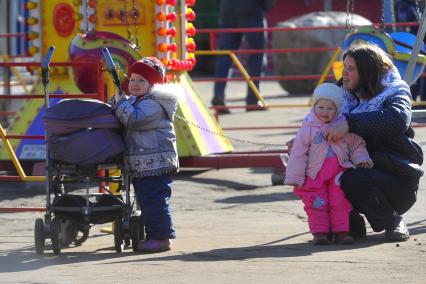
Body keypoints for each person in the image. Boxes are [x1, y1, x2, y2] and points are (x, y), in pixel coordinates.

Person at [325, 42, 424, 242]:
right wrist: (303, 138)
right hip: (357, 171)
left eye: (351, 69)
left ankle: (392, 220)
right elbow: (317, 115)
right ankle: (351, 224)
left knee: (353, 178)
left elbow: (398, 119)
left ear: (367, 71)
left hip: (395, 181)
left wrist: (350, 124)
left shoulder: (395, 90)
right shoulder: (342, 90)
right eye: (344, 68)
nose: (344, 74)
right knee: (316, 173)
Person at [284, 83, 373, 245]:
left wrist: (361, 159)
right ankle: (320, 234)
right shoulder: (308, 127)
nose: (325, 112)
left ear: (337, 109)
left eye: (330, 108)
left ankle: (342, 232)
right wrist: (294, 176)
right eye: (321, 107)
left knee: (340, 201)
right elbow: (298, 152)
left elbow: (356, 144)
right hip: (314, 174)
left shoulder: (342, 126)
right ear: (314, 106)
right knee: (316, 203)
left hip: (338, 174)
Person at [111, 57, 183, 252]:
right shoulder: (139, 99)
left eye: (141, 80)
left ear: (153, 84)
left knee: (154, 200)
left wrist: (120, 104)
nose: (134, 84)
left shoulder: (154, 104)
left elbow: (133, 119)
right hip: (144, 162)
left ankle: (161, 238)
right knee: (146, 198)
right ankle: (152, 233)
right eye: (132, 79)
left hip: (156, 161)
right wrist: (118, 100)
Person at [212, 0, 276, 113]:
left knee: (225, 56)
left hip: (227, 9)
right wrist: (265, 6)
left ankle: (219, 95)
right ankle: (252, 100)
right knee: (256, 56)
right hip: (252, 9)